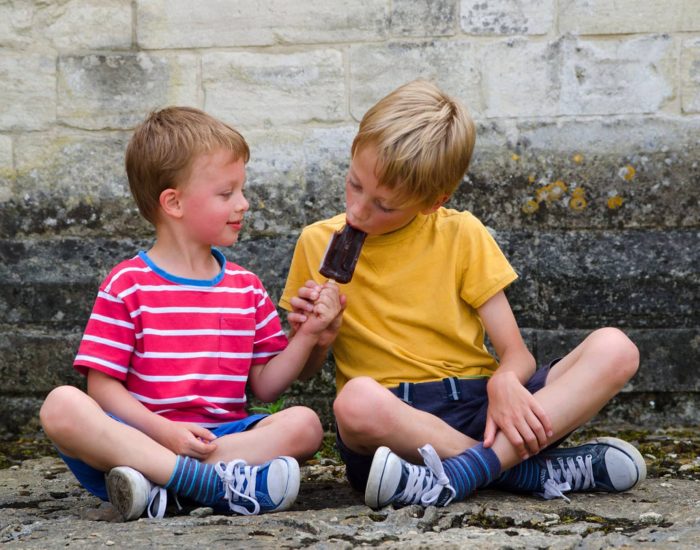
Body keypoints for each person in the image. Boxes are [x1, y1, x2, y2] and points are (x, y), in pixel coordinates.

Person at [279, 79, 645, 510]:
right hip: (394, 429)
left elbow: (516, 353)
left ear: (433, 202)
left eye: (385, 205)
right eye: (355, 185)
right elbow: (306, 374)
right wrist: (318, 337)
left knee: (616, 348)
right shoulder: (316, 241)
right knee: (354, 401)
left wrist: (506, 381)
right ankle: (523, 471)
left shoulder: (461, 233)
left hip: (483, 409)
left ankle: (462, 472)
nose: (359, 210)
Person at [40, 106, 342, 520]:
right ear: (174, 202)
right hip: (140, 441)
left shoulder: (246, 287)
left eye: (241, 190)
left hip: (220, 440)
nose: (244, 203)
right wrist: (162, 431)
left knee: (305, 423)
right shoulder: (127, 285)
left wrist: (308, 336)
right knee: (61, 405)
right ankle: (210, 485)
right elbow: (103, 388)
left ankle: (169, 491)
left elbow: (267, 387)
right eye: (226, 193)